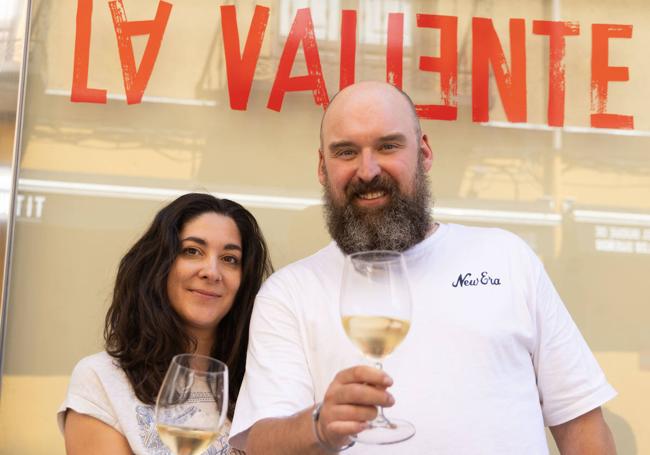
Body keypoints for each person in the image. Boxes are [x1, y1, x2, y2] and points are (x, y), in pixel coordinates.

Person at [229, 81, 618, 454]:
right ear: (321, 166)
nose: (367, 170)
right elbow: (261, 444)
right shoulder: (289, 293)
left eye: (387, 146)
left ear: (425, 152)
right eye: (346, 152)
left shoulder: (506, 256)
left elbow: (581, 426)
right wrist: (319, 426)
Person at [58, 193, 273, 455]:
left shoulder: (263, 384)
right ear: (159, 265)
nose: (211, 271)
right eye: (192, 251)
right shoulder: (101, 379)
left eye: (230, 259)